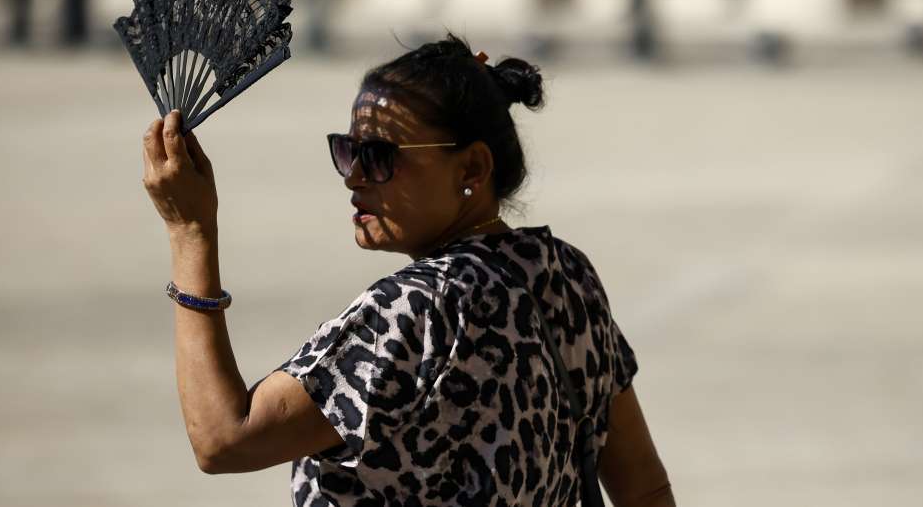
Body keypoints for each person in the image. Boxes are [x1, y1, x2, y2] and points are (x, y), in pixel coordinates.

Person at [141, 34, 675, 506]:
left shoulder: (418, 309)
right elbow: (644, 489)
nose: (354, 178)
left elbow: (222, 439)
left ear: (471, 168)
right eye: (348, 152)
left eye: (379, 156)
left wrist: (191, 233)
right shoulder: (565, 276)